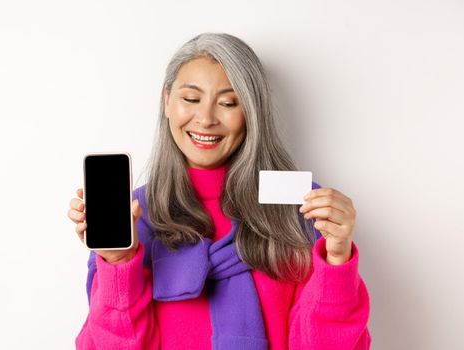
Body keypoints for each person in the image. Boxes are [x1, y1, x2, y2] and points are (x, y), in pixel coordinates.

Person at [67, 32, 371, 350]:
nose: (206, 119)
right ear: (166, 100)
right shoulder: (136, 216)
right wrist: (119, 263)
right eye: (191, 99)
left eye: (228, 102)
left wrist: (337, 259)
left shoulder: (298, 204)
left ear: (251, 111)